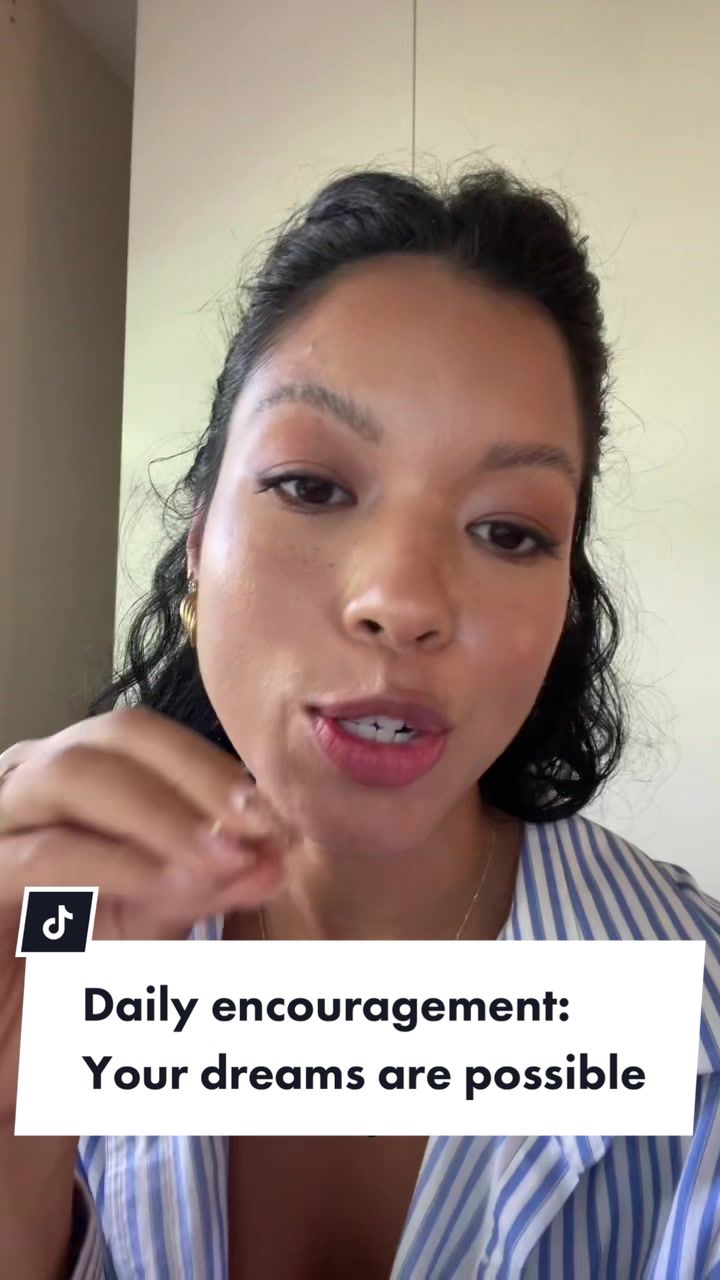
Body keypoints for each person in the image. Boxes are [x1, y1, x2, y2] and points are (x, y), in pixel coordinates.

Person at [0, 161, 718, 1280]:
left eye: (510, 531)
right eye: (312, 486)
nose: (404, 601)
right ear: (195, 549)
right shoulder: (43, 940)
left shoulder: (695, 1023)